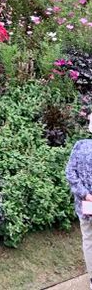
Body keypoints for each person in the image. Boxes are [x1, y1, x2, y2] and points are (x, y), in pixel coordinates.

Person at [66, 114, 92, 286]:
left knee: (88, 240)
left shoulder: (79, 146)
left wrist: (86, 194)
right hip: (86, 204)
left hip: (86, 205)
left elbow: (70, 173)